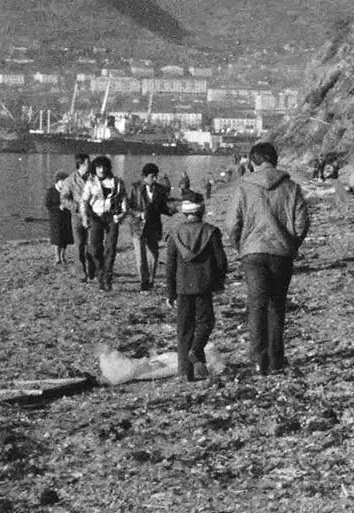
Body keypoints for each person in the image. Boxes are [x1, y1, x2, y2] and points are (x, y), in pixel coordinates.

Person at [224, 140, 311, 375]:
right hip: (281, 253)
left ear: (253, 163)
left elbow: (232, 223)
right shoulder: (291, 187)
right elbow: (302, 223)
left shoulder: (243, 187)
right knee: (277, 306)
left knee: (256, 306)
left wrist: (240, 245)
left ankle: (259, 359)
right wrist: (292, 244)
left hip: (252, 252)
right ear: (276, 160)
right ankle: (276, 358)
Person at [163, 191, 229, 381]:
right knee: (206, 322)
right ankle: (197, 349)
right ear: (202, 210)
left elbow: (170, 267)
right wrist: (219, 283)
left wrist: (170, 293)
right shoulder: (211, 232)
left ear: (184, 213)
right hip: (204, 285)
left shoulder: (175, 234)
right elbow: (221, 262)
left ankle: (185, 371)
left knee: (184, 328)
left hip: (183, 286)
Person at [82, 155, 127, 291]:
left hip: (112, 217)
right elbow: (84, 201)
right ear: (94, 168)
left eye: (103, 167)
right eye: (98, 167)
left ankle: (107, 276)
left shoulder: (117, 182)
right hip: (96, 216)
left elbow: (124, 198)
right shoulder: (90, 182)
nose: (101, 170)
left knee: (111, 247)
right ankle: (100, 271)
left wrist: (122, 214)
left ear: (108, 168)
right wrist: (85, 217)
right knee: (95, 248)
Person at [130, 162, 172, 291]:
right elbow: (129, 207)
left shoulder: (160, 190)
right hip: (138, 227)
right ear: (145, 176)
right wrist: (140, 214)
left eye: (156, 176)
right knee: (140, 256)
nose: (154, 179)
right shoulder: (135, 188)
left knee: (154, 255)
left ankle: (151, 280)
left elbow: (163, 207)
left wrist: (172, 211)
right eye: (152, 176)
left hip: (153, 226)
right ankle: (144, 282)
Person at [65, 154, 94, 281]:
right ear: (81, 164)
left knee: (93, 244)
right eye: (88, 162)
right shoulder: (70, 180)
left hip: (93, 215)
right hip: (77, 216)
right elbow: (64, 199)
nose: (90, 164)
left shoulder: (94, 178)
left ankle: (93, 270)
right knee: (79, 244)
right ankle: (81, 272)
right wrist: (77, 206)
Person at [45, 172, 75, 264]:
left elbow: (72, 201)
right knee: (57, 239)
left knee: (65, 238)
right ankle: (57, 258)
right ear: (58, 181)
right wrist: (58, 207)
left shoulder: (68, 190)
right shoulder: (51, 190)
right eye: (63, 181)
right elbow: (48, 205)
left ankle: (63, 256)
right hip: (55, 218)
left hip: (66, 217)